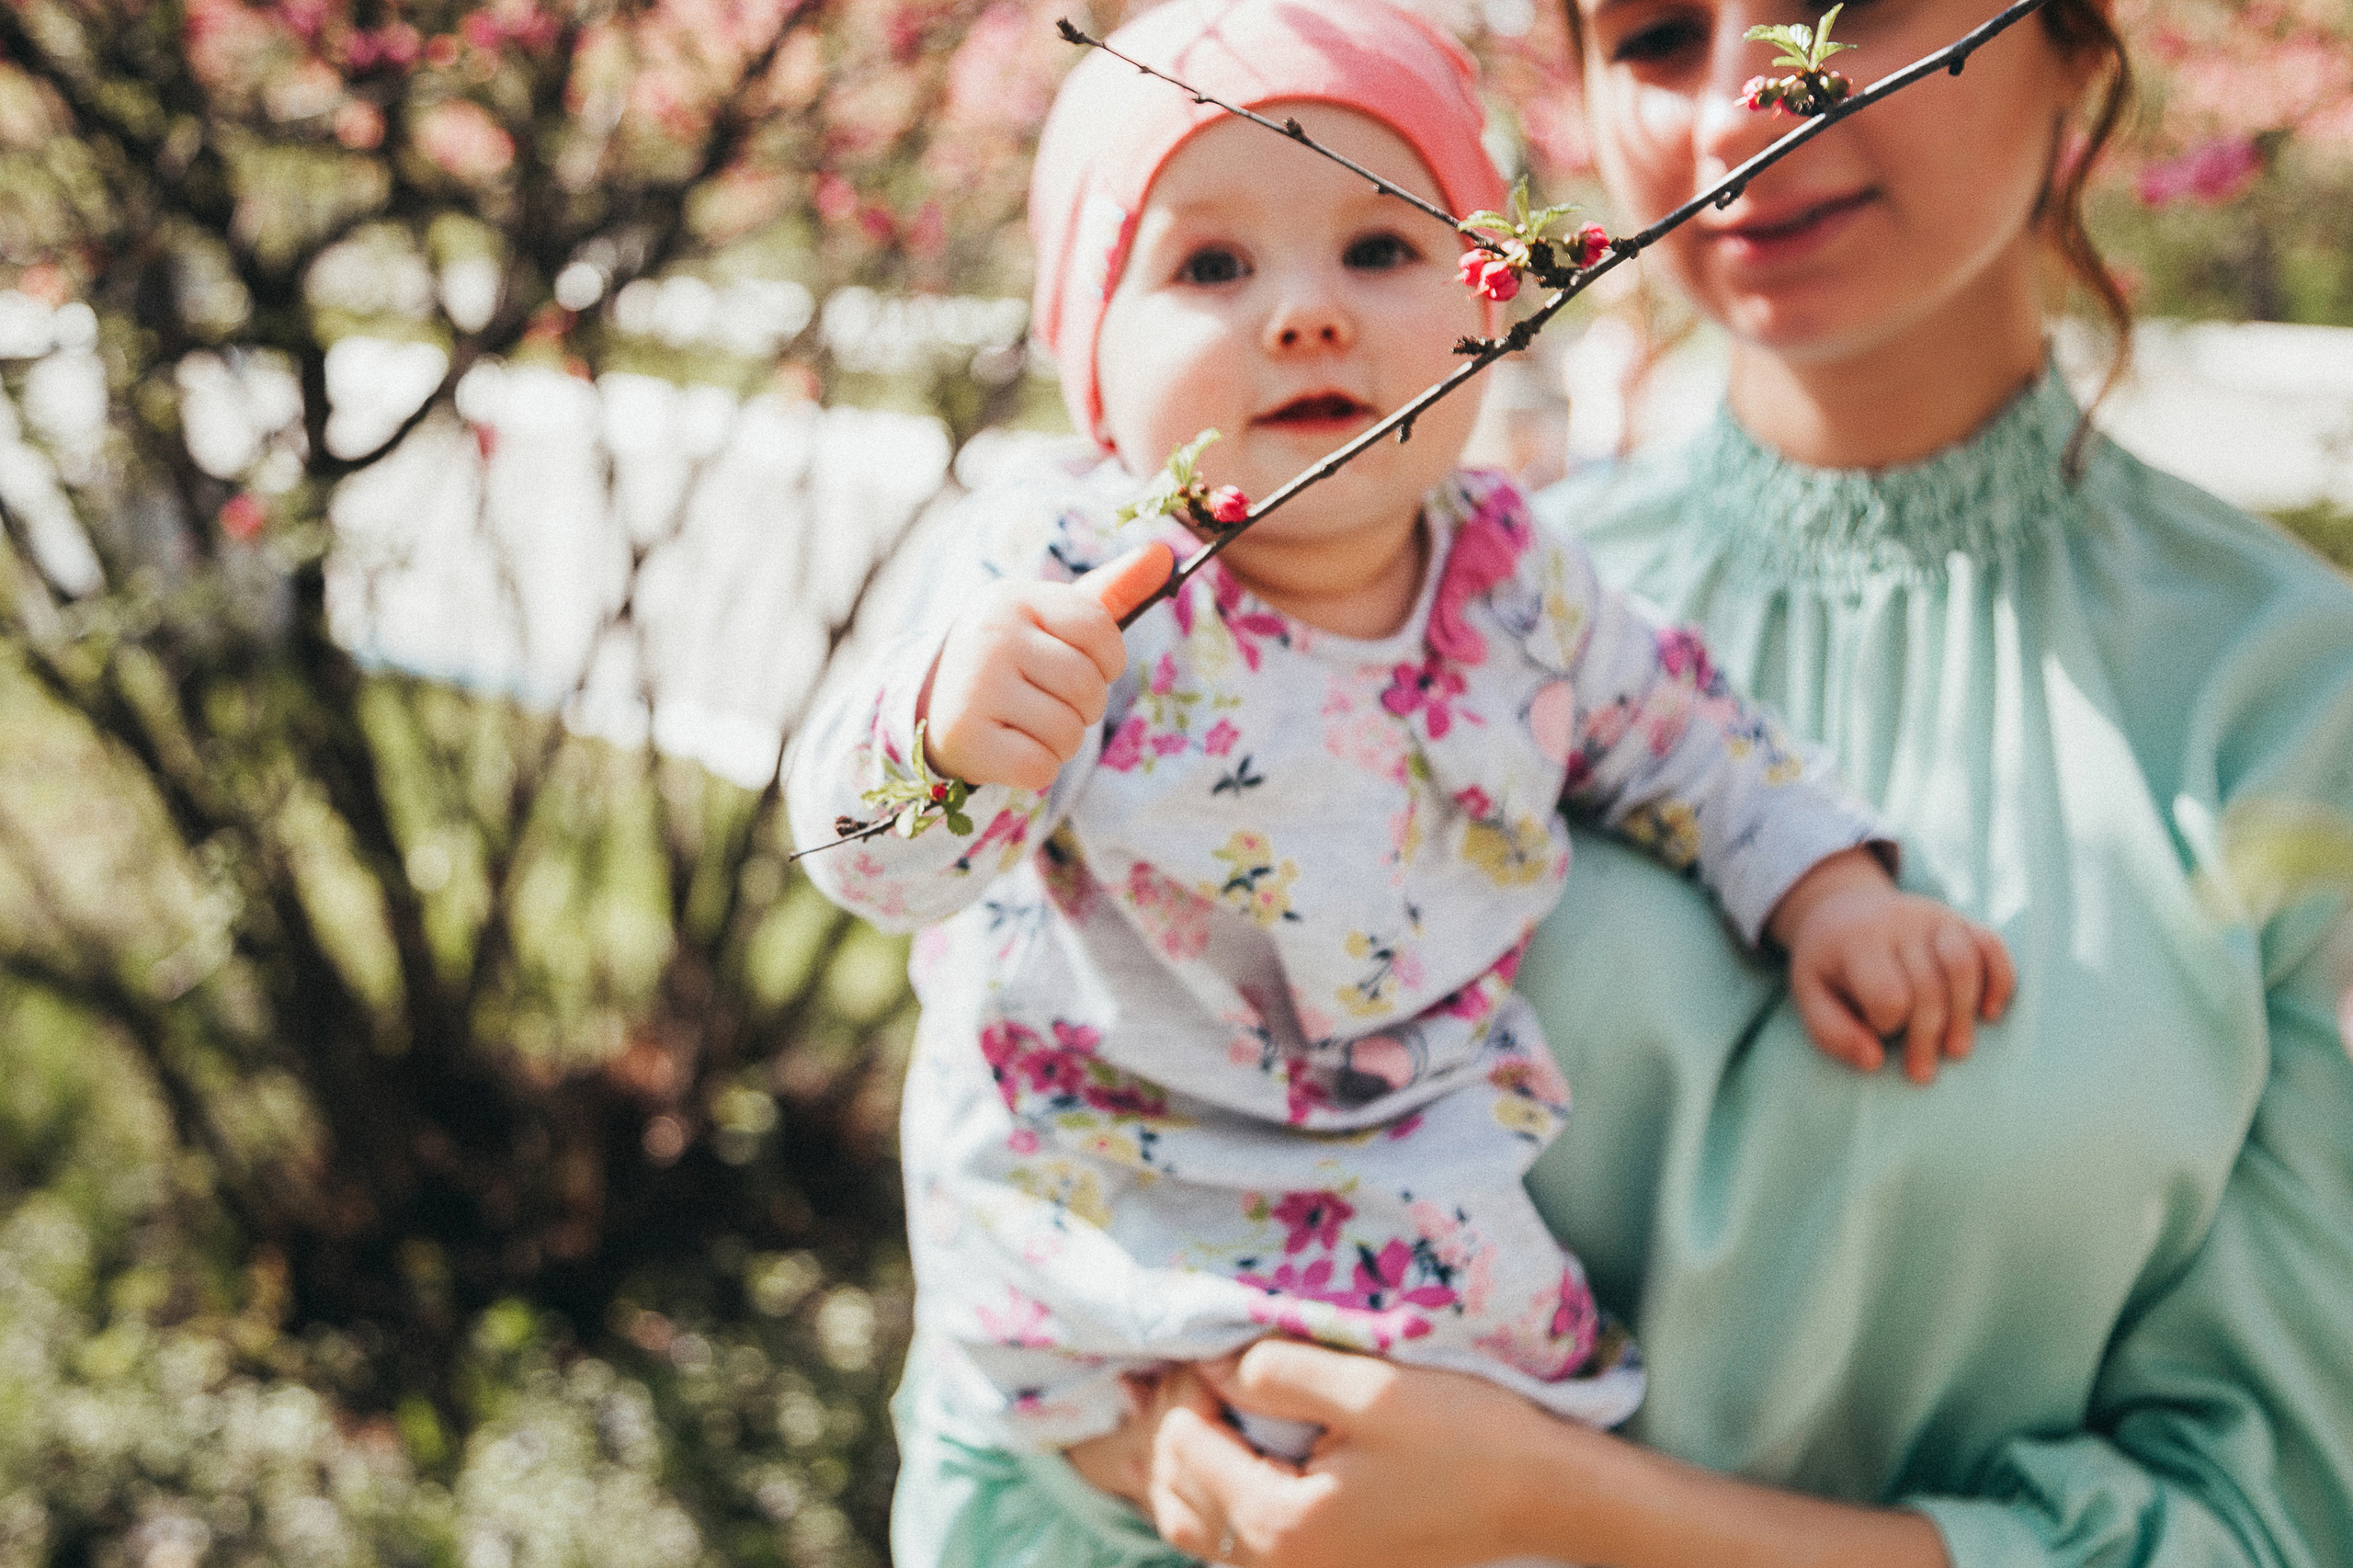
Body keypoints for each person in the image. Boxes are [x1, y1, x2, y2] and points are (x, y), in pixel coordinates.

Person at [1096, 0, 2353, 1564]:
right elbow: (1068, 1161)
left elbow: (2270, 1516)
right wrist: (1154, 1444)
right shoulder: (1433, 627)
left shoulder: (2303, 706)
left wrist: (1557, 1505)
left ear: (2074, 48)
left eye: (1856, 3)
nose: (1739, 110)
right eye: (1658, 34)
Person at [784, 1, 2015, 1562]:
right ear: (1089, 357)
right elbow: (868, 852)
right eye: (1210, 267)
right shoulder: (1075, 580)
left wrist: (1833, 891)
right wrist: (949, 737)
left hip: (1389, 1213)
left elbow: (1692, 742)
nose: (1306, 314)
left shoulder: (1517, 581)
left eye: (1382, 251)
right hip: (1094, 1226)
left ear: (1490, 301)